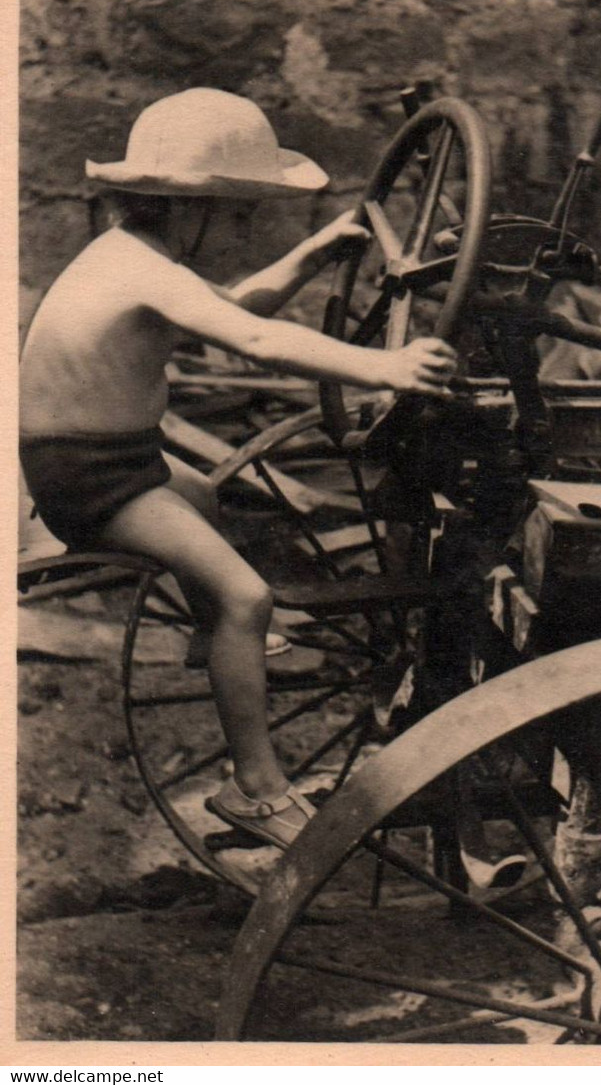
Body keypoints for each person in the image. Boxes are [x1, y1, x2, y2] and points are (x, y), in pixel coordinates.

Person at [19, 87, 458, 850]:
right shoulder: (140, 270)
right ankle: (255, 789)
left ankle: (211, 635)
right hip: (86, 477)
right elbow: (255, 342)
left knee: (199, 495)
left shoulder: (135, 256)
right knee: (246, 594)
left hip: (117, 458)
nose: (247, 230)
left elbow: (235, 308)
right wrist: (385, 366)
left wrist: (312, 254)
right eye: (243, 215)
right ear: (193, 209)